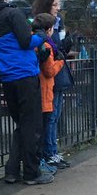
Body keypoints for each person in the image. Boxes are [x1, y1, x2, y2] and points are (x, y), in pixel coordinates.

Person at [0, 0, 51, 185]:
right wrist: (40, 36)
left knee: (22, 125)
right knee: (32, 126)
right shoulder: (12, 14)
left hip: (8, 79)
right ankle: (31, 172)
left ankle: (12, 170)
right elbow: (26, 42)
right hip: (25, 76)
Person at [33, 12, 71, 171]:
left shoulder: (35, 43)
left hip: (39, 89)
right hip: (46, 90)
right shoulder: (46, 46)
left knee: (47, 123)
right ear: (48, 30)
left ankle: (48, 154)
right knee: (49, 122)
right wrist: (61, 61)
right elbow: (49, 70)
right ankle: (48, 155)